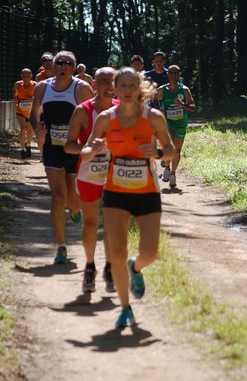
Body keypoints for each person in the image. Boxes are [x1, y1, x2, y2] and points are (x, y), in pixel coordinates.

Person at [81, 67, 175, 328]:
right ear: (115, 88)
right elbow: (86, 150)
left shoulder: (153, 117)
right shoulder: (105, 119)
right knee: (118, 250)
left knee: (150, 252)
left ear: (139, 89)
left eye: (132, 85)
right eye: (122, 85)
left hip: (146, 193)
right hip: (116, 193)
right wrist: (94, 148)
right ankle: (125, 308)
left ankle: (137, 267)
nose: (127, 90)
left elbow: (170, 150)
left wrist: (156, 153)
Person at [30, 51, 94, 264]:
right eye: (59, 62)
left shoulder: (82, 88)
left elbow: (91, 115)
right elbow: (35, 112)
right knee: (58, 197)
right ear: (53, 66)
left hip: (75, 149)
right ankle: (60, 246)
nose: (63, 66)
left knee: (72, 200)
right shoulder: (42, 87)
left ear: (74, 68)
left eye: (68, 63)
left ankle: (75, 210)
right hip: (53, 149)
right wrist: (37, 126)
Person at [64, 67, 118, 293]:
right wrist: (88, 148)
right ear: (94, 85)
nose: (109, 85)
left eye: (113, 81)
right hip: (89, 173)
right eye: (104, 81)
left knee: (113, 223)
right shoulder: (82, 111)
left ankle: (109, 266)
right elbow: (68, 145)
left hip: (117, 173)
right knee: (91, 224)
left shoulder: (122, 109)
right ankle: (89, 265)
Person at [155, 64, 195, 189]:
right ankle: (166, 168)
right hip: (168, 124)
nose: (173, 75)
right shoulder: (162, 90)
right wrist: (160, 110)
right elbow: (153, 99)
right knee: (169, 147)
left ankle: (173, 173)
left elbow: (193, 108)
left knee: (177, 151)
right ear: (167, 75)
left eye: (175, 73)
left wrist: (182, 104)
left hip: (181, 124)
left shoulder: (184, 90)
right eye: (171, 73)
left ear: (179, 75)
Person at [13, 68, 36, 159]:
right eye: (24, 76)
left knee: (30, 130)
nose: (26, 78)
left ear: (31, 76)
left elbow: (39, 97)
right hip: (20, 110)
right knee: (23, 128)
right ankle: (22, 149)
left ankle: (28, 145)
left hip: (31, 111)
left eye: (27, 76)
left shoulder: (35, 85)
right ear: (21, 76)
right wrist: (15, 99)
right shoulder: (17, 84)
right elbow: (14, 95)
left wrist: (32, 99)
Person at [35, 53, 55, 158]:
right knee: (40, 133)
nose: (47, 63)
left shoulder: (59, 73)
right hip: (43, 107)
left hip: (57, 106)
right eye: (44, 60)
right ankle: (43, 156)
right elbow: (39, 92)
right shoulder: (39, 76)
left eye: (49, 60)